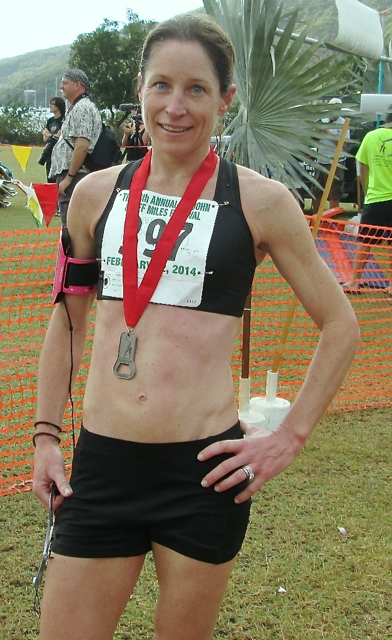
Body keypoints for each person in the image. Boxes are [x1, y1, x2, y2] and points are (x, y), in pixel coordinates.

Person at [32, 15, 359, 640]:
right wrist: (47, 437)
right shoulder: (94, 196)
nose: (175, 107)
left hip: (203, 473)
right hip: (102, 467)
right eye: (161, 86)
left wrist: (287, 439)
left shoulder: (261, 202)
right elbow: (68, 326)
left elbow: (340, 326)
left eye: (196, 90)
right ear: (140, 89)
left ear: (225, 98)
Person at [342, 107, 392, 297]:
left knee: (364, 241)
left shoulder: (371, 137)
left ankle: (355, 281)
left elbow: (362, 168)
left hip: (376, 197)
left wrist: (366, 193)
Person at [49, 68, 102, 224]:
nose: (61, 87)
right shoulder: (77, 107)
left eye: (65, 83)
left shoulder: (82, 108)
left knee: (72, 227)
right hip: (74, 174)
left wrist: (69, 177)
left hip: (76, 175)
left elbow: (82, 146)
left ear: (78, 85)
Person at [312, 98, 351, 214]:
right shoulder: (321, 121)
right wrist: (318, 130)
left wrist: (327, 132)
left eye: (338, 108)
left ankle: (332, 219)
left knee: (335, 191)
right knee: (317, 191)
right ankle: (315, 217)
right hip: (320, 160)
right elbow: (312, 138)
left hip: (336, 161)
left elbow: (343, 144)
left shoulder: (344, 123)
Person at [41, 97, 66, 182]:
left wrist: (50, 135)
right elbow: (45, 138)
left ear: (58, 106)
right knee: (49, 178)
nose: (50, 106)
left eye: (53, 104)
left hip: (60, 153)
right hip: (49, 153)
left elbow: (59, 136)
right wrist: (51, 136)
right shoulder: (50, 121)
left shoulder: (64, 120)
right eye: (50, 104)